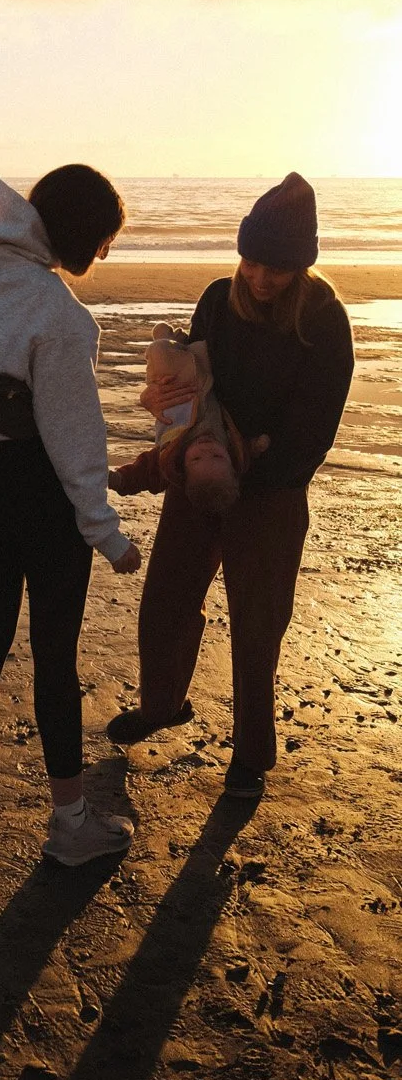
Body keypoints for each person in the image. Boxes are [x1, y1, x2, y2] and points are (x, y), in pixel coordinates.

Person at [107, 173, 354, 800]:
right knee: (165, 596)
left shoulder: (325, 322)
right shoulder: (218, 298)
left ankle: (251, 755)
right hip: (202, 474)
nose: (260, 276)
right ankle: (160, 704)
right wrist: (163, 399)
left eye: (276, 267)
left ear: (302, 265)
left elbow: (314, 432)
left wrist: (246, 468)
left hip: (271, 490)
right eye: (251, 260)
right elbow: (192, 384)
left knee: (257, 622)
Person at [0, 168, 142, 865]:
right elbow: (72, 437)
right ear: (80, 233)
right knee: (55, 658)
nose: (104, 254)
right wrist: (104, 531)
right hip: (39, 491)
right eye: (104, 241)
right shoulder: (60, 315)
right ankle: (70, 823)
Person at [108, 323, 269, 514]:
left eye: (196, 458)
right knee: (203, 354)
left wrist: (118, 480)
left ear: (183, 467)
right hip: (204, 388)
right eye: (217, 456)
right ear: (231, 462)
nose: (206, 448)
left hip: (175, 394)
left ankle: (167, 339)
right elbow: (247, 450)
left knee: (161, 354)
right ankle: (184, 344)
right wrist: (257, 445)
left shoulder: (169, 458)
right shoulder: (235, 447)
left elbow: (144, 474)